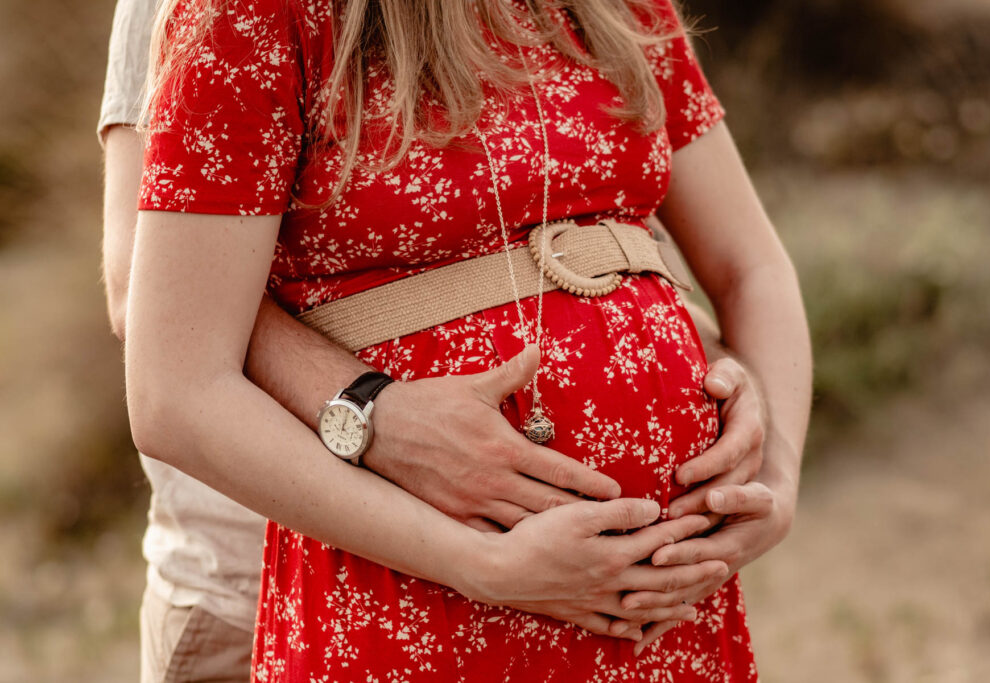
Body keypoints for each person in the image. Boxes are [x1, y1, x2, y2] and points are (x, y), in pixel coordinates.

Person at [108, 0, 810, 680]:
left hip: (663, 613)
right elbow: (176, 388)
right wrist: (476, 563)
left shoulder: (618, 8)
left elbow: (751, 268)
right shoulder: (255, 13)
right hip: (418, 599)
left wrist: (775, 480)